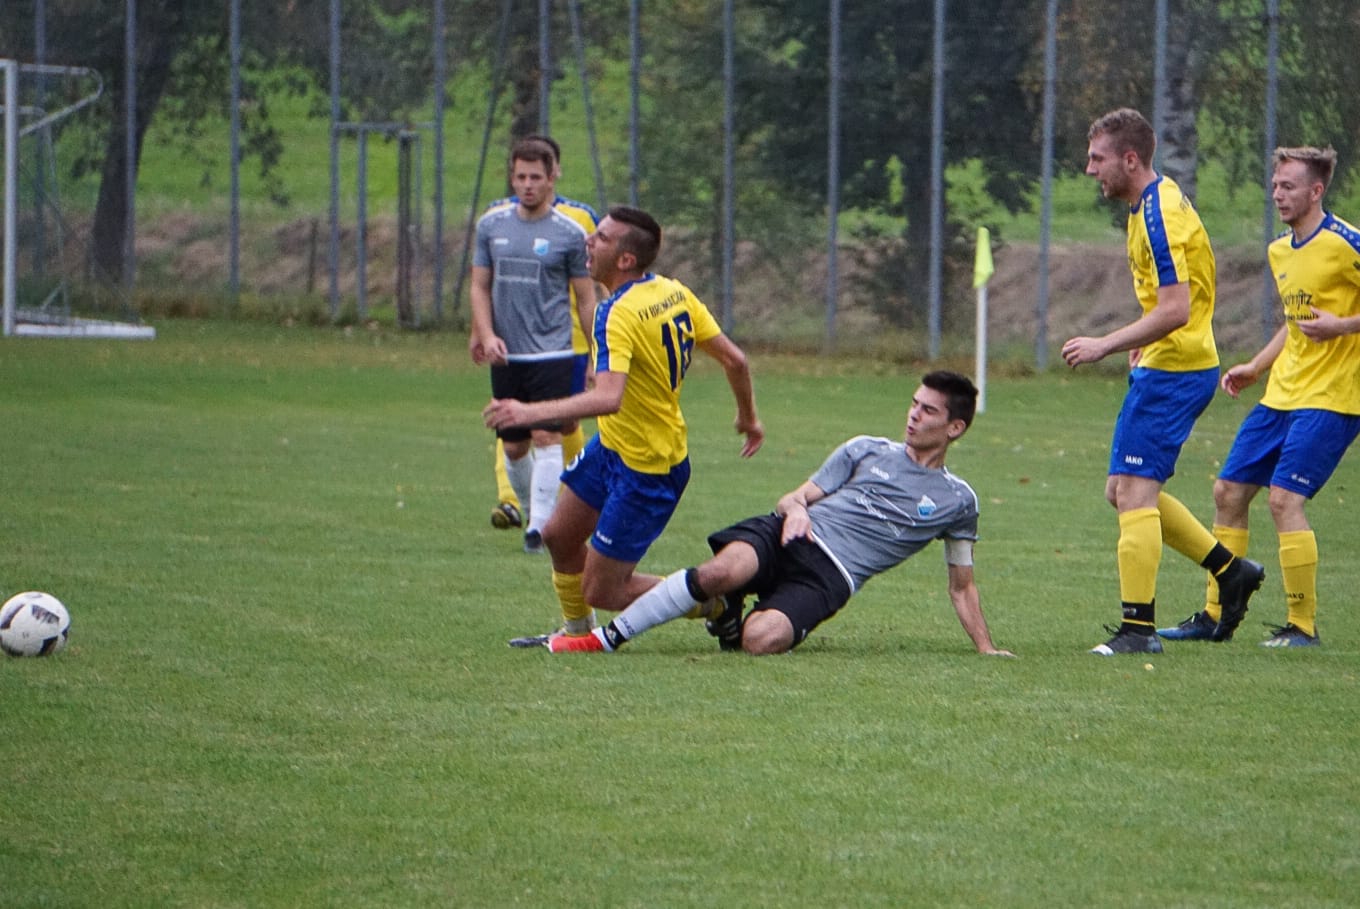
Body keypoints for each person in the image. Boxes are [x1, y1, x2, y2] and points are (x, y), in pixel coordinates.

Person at [546, 371, 1014, 657]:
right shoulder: (865, 449)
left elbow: (962, 585)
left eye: (928, 411)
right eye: (913, 404)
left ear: (955, 427)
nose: (913, 415)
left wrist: (986, 647)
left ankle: (729, 615)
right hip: (789, 536)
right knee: (721, 571)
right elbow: (796, 496)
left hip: (831, 576)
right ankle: (610, 638)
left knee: (759, 641)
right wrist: (794, 511)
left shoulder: (959, 501)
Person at [483, 205, 763, 643]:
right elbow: (736, 359)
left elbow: (608, 398)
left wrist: (527, 412)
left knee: (604, 589)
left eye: (601, 238)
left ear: (627, 259)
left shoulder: (616, 313)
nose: (588, 242)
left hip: (648, 467)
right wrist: (748, 417)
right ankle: (575, 631)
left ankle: (716, 601)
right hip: (613, 449)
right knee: (558, 535)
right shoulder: (673, 292)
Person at [1060, 107, 1264, 656]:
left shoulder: (1160, 214)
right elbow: (1173, 298)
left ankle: (1138, 631)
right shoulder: (1145, 206)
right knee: (1122, 491)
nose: (1089, 170)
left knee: (1133, 493)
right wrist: (1143, 344)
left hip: (1177, 369)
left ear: (1130, 158)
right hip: (1168, 363)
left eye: (1097, 159)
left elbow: (1177, 308)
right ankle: (1231, 572)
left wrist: (1108, 343)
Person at [1159, 146, 1360, 648]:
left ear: (1316, 191)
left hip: (1334, 397)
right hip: (1282, 393)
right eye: (1275, 185)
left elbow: (1328, 324)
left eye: (1289, 186)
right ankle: (1215, 614)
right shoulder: (1279, 250)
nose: (1278, 194)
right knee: (1228, 492)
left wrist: (1343, 325)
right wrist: (1256, 365)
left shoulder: (1346, 243)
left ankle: (1302, 626)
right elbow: (1296, 326)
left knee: (1284, 500)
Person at [469, 138, 597, 553]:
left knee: (548, 435)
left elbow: (586, 297)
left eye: (535, 177)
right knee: (513, 444)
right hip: (508, 354)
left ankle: (540, 526)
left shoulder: (570, 233)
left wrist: (597, 354)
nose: (527, 185)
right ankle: (526, 507)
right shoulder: (491, 225)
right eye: (521, 177)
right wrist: (485, 335)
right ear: (512, 177)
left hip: (554, 352)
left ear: (551, 177)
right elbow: (479, 285)